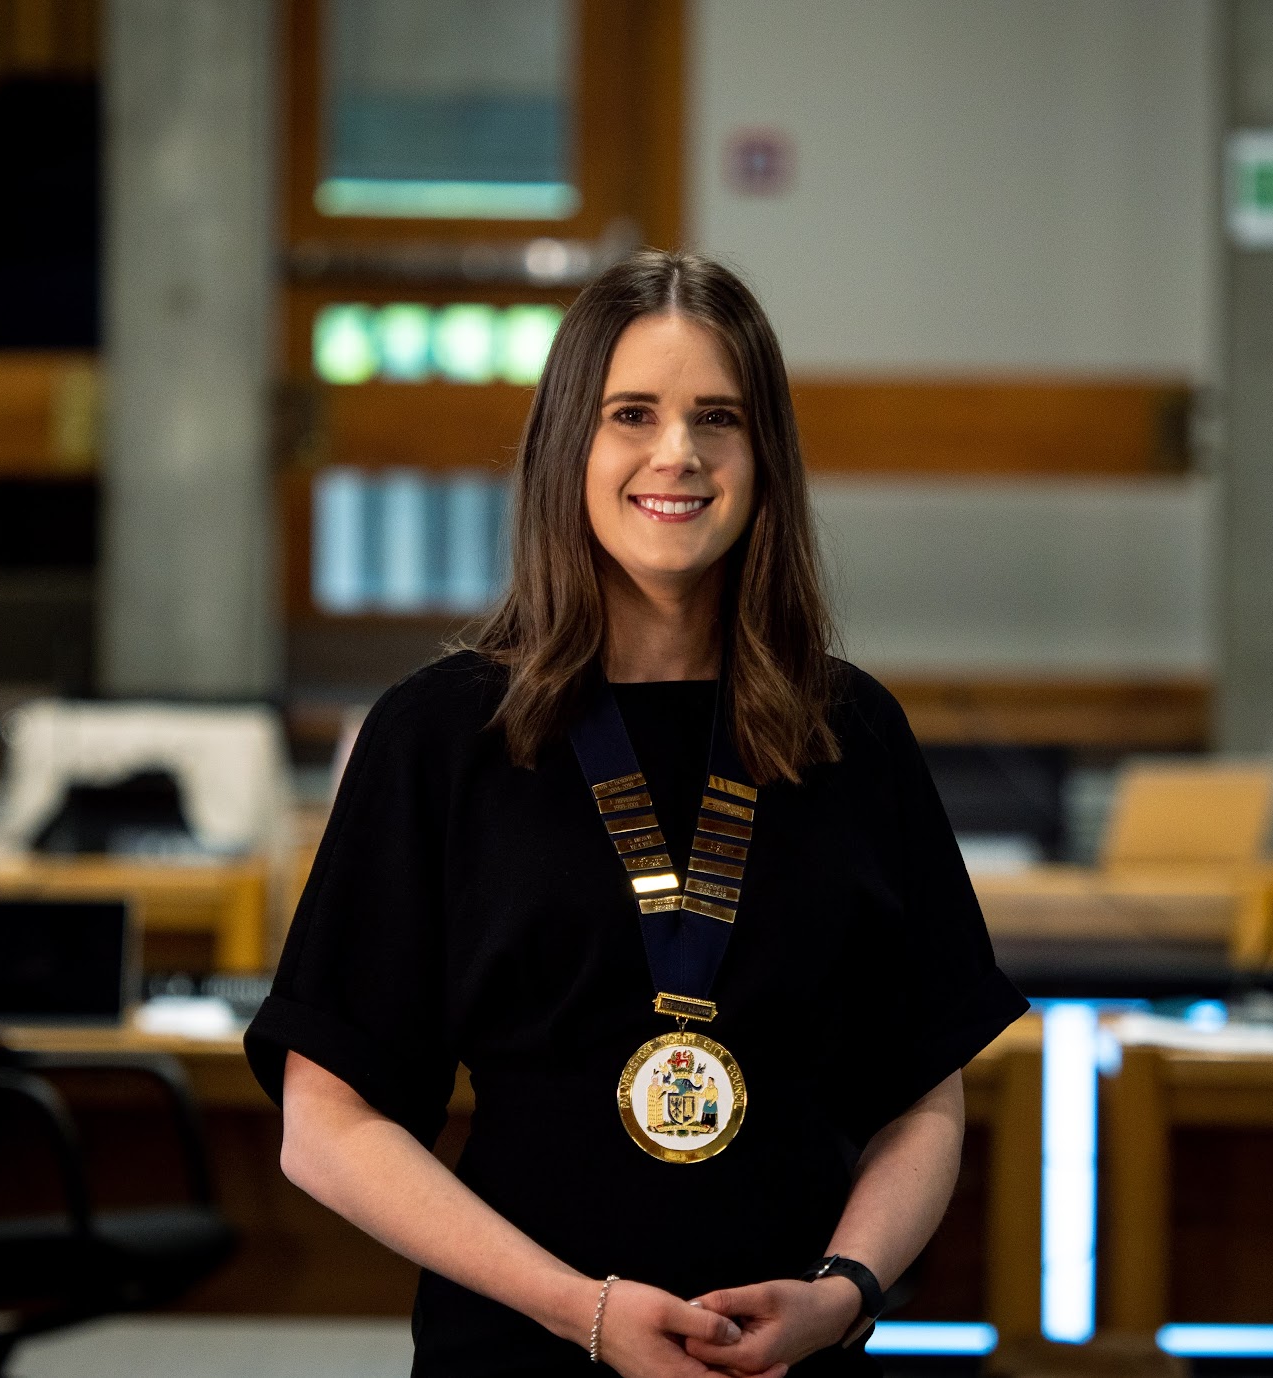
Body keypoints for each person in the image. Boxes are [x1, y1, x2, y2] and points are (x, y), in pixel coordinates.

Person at [246, 250, 1027, 1377]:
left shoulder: (851, 731)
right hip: (519, 1350)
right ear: (571, 444)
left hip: (790, 1364)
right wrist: (580, 1311)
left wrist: (841, 1293)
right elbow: (324, 1126)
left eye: (719, 416)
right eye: (632, 414)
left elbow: (923, 1105)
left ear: (765, 460)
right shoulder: (440, 735)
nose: (679, 453)